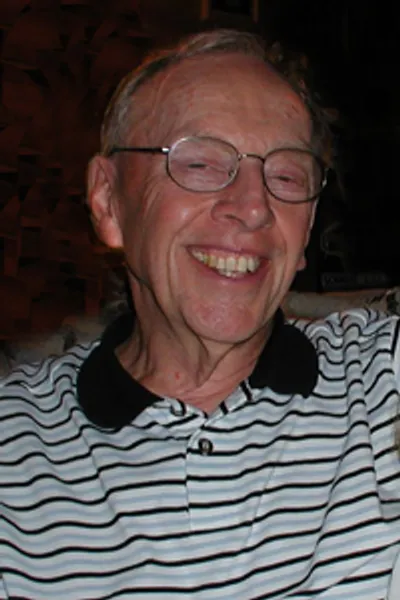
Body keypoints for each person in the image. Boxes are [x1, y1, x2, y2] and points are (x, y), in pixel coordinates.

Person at [1, 29, 399, 600]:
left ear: (308, 227)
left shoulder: (381, 377)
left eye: (287, 175)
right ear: (109, 201)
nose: (254, 207)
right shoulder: (14, 447)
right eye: (201, 163)